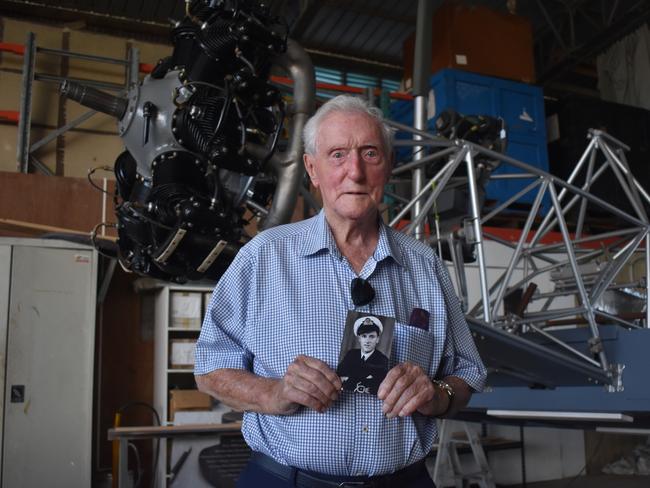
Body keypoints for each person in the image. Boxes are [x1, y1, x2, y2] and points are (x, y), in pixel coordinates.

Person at [195, 94, 487, 488]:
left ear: (388, 167)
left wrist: (436, 393)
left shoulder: (424, 265)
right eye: (337, 155)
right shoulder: (263, 257)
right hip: (286, 481)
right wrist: (274, 392)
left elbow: (466, 373)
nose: (355, 172)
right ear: (312, 171)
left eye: (370, 153)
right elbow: (210, 370)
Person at [337, 316, 390, 395]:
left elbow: (377, 386)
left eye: (371, 336)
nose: (367, 341)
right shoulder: (351, 354)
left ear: (377, 339)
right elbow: (339, 376)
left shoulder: (383, 360)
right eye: (364, 336)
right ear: (359, 338)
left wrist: (349, 378)